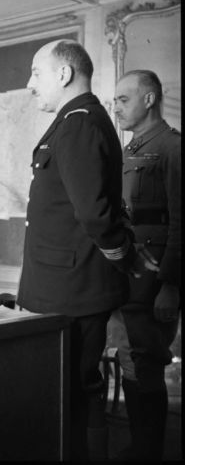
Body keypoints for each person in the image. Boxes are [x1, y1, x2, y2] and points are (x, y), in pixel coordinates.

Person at [16, 40, 154, 461]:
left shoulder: (77, 122)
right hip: (67, 284)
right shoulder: (82, 119)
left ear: (63, 74)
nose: (29, 84)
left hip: (70, 288)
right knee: (74, 389)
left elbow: (95, 214)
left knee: (73, 391)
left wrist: (124, 253)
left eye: (37, 73)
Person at [110, 70, 181, 461]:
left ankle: (148, 451)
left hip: (154, 283)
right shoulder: (132, 149)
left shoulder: (173, 148)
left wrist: (171, 283)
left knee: (145, 364)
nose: (116, 107)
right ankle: (142, 447)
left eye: (123, 99)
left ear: (149, 100)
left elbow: (184, 222)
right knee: (131, 360)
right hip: (127, 280)